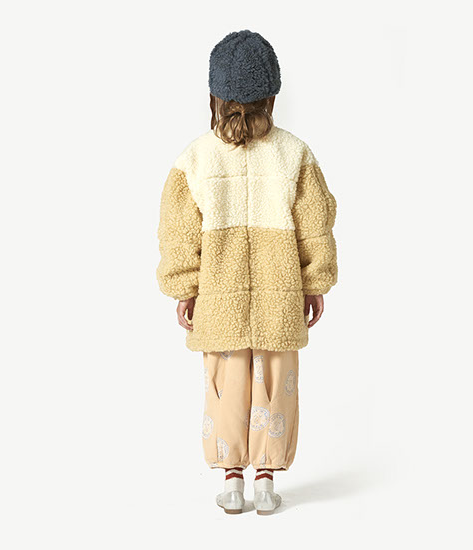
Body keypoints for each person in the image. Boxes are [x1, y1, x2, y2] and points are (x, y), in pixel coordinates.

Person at [157, 30, 338, 515]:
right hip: (281, 297)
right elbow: (316, 224)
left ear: (213, 96)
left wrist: (184, 288)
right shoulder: (295, 154)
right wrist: (314, 282)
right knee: (275, 386)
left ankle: (232, 481)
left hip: (219, 300)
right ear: (271, 96)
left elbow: (177, 232)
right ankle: (266, 482)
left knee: (226, 386)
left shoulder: (195, 158)